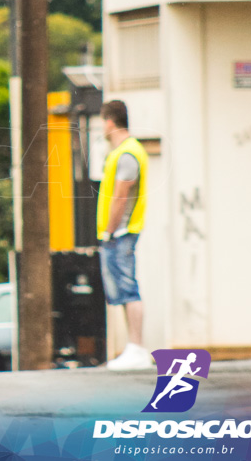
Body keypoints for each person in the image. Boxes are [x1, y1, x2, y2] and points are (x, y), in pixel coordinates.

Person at [97, 99, 151, 371]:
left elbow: (120, 196)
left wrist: (108, 231)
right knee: (123, 289)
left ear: (109, 121)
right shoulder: (125, 151)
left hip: (121, 232)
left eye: (101, 122)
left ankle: (137, 348)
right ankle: (134, 348)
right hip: (120, 232)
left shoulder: (127, 152)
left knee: (128, 288)